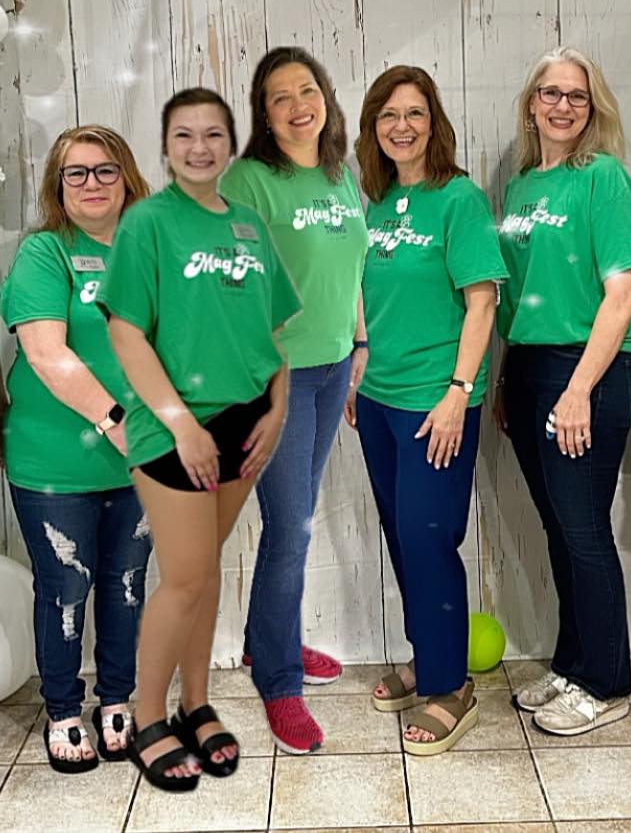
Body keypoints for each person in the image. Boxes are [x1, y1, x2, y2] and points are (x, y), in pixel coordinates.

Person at [99, 88, 300, 792]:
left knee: (205, 571)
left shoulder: (247, 226)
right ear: (164, 146)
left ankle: (196, 703)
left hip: (246, 421)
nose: (199, 148)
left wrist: (277, 409)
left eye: (213, 135)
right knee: (182, 577)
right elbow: (124, 331)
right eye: (184, 135)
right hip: (171, 426)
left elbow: (272, 334)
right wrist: (182, 424)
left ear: (230, 143)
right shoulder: (147, 224)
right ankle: (147, 718)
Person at [495, 48, 631, 735]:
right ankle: (572, 661)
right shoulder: (521, 188)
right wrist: (508, 379)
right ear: (531, 103)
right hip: (530, 369)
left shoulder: (603, 178)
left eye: (577, 97)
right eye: (550, 93)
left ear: (593, 110)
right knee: (559, 528)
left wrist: (577, 390)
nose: (562, 106)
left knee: (585, 530)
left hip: (586, 368)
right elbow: (517, 300)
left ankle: (607, 681)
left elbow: (621, 293)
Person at [347, 65, 507, 755]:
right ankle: (428, 655)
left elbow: (482, 302)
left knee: (428, 538)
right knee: (399, 535)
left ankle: (449, 688)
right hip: (379, 400)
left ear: (432, 122)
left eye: (412, 113)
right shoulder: (376, 204)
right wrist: (357, 364)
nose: (400, 126)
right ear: (372, 129)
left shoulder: (458, 199)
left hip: (435, 403)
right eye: (387, 115)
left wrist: (456, 393)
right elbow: (367, 298)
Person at [221, 47, 369, 754]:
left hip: (331, 368)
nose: (297, 105)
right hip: (276, 380)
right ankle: (278, 681)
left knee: (296, 521)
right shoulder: (250, 181)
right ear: (264, 113)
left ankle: (262, 641)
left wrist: (358, 343)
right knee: (291, 530)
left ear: (324, 96)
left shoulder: (341, 177)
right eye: (280, 97)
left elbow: (350, 270)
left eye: (306, 90)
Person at [1, 125, 152, 773]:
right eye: (76, 173)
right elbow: (44, 353)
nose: (92, 183)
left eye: (105, 170)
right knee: (66, 585)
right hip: (56, 462)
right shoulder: (44, 253)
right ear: (57, 187)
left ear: (127, 178)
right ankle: (63, 709)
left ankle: (118, 699)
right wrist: (121, 421)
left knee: (126, 584)